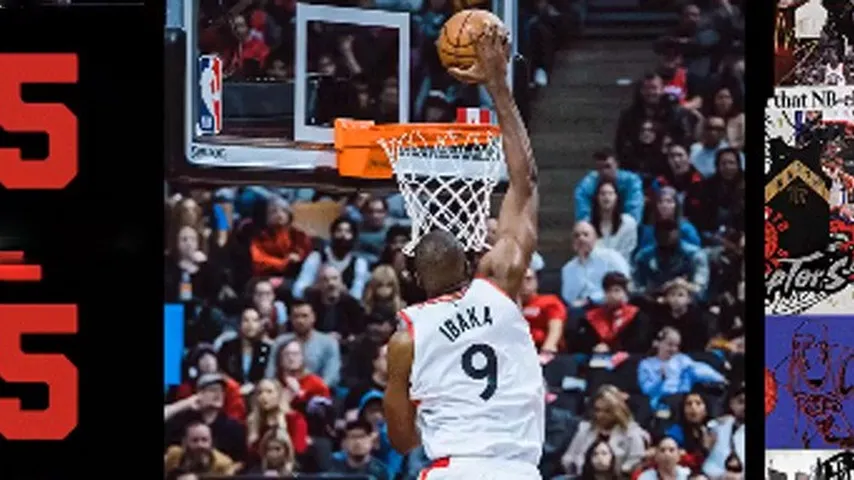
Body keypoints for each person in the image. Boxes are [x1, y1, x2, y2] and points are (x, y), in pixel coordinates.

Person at [383, 24, 544, 479]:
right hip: (517, 471)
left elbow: (402, 439)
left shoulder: (405, 341)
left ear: (413, 277)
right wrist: (498, 85)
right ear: (473, 261)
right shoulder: (500, 282)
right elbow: (525, 183)